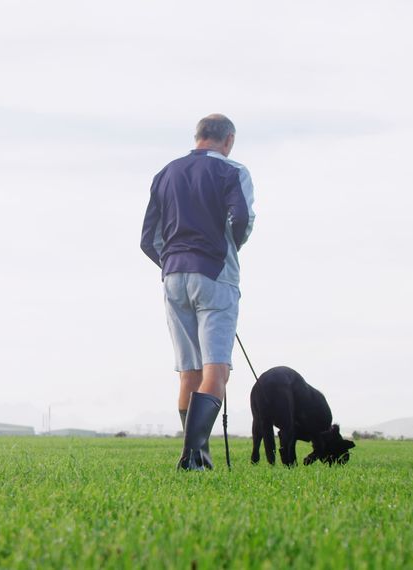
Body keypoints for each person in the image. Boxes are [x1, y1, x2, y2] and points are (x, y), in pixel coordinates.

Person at [140, 114, 255, 471]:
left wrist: (173, 261)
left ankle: (194, 458)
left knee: (188, 371)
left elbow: (148, 239)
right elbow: (241, 219)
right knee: (216, 370)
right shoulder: (233, 171)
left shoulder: (166, 173)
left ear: (198, 137)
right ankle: (194, 459)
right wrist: (224, 253)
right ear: (228, 140)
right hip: (214, 273)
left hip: (173, 274)